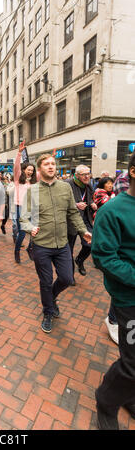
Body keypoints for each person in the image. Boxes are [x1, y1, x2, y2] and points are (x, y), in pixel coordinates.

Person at [20, 153, 91, 334]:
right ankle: (48, 312)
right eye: (47, 164)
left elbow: (73, 213)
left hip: (62, 244)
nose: (51, 166)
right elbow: (23, 218)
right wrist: (30, 228)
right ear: (40, 168)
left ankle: (51, 298)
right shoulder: (32, 191)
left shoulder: (65, 188)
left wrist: (83, 231)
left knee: (67, 278)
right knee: (45, 281)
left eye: (53, 164)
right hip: (41, 245)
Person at [91, 151, 135, 430]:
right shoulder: (112, 210)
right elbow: (104, 258)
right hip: (128, 299)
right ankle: (106, 402)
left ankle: (128, 394)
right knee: (132, 362)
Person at [93, 177, 117, 344]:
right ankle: (113, 320)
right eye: (107, 183)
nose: (110, 185)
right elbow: (102, 256)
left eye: (111, 182)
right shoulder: (107, 197)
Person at [66, 165, 96, 283]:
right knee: (69, 250)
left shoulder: (88, 185)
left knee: (90, 244)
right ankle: (70, 276)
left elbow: (91, 198)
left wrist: (92, 203)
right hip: (71, 221)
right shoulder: (67, 184)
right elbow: (62, 202)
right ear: (77, 175)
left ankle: (80, 260)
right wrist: (75, 205)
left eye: (88, 173)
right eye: (84, 174)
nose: (87, 176)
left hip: (85, 220)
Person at [13, 141, 37, 264]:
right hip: (20, 208)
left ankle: (30, 248)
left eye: (32, 170)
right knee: (22, 233)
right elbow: (16, 167)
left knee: (35, 230)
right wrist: (19, 153)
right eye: (28, 170)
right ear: (23, 170)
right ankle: (17, 251)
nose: (30, 172)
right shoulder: (18, 179)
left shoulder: (33, 182)